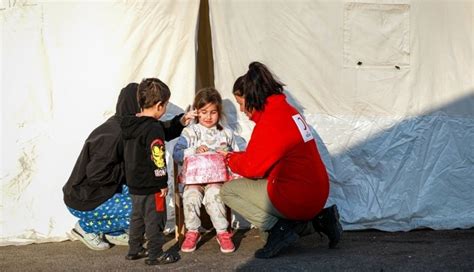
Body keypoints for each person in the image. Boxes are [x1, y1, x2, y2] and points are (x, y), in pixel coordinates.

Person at [220, 62, 343, 259]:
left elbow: (252, 168)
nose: (242, 110)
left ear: (252, 98)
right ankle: (320, 220)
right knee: (265, 214)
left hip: (296, 195)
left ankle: (281, 229)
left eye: (241, 104)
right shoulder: (288, 111)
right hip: (317, 192)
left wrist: (229, 158)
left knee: (228, 191)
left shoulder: (271, 121)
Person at [120, 78, 195, 266]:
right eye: (166, 105)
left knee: (137, 217)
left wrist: (181, 121)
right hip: (152, 185)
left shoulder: (131, 124)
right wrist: (162, 184)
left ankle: (134, 249)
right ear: (160, 105)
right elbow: (158, 158)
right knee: (155, 219)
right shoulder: (153, 128)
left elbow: (164, 130)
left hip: (135, 184)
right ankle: (155, 254)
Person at [63, 82, 140, 250]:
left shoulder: (127, 127)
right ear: (135, 106)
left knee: (144, 195)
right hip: (84, 197)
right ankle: (85, 228)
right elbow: (96, 175)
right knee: (141, 208)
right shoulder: (113, 134)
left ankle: (113, 231)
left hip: (102, 190)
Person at [173, 87, 236, 254]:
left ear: (219, 112)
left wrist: (228, 152)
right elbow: (177, 154)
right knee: (191, 195)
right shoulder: (190, 132)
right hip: (194, 179)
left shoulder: (226, 133)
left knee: (214, 194)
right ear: (196, 112)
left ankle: (222, 232)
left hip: (216, 179)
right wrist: (192, 150)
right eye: (203, 112)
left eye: (213, 112)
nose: (208, 117)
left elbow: (238, 153)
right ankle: (193, 231)